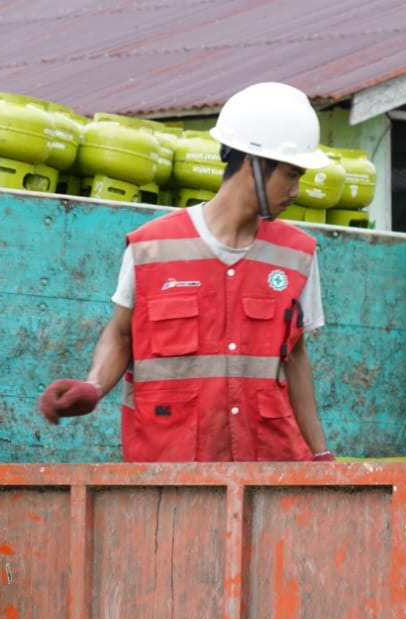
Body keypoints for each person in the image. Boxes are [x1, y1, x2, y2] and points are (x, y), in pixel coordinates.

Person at [38, 81, 335, 463]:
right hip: (169, 470)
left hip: (268, 468)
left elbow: (295, 358)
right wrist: (93, 386)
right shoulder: (151, 247)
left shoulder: (297, 255)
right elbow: (121, 334)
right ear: (254, 164)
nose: (296, 190)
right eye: (291, 175)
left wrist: (320, 454)